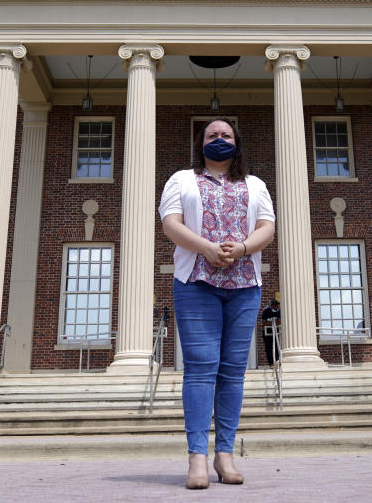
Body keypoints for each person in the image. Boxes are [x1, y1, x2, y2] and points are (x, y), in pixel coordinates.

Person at [159, 118, 275, 489]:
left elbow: (267, 227)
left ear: (236, 142)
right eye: (212, 135)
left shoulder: (255, 184)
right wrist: (207, 248)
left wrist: (241, 248)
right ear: (202, 143)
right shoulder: (181, 179)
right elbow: (170, 223)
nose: (220, 139)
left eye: (226, 135)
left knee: (232, 372)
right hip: (196, 282)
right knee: (200, 369)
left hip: (244, 286)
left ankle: (224, 455)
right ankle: (197, 457)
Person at [261, 299, 281, 365]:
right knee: (268, 348)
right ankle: (271, 363)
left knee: (277, 347)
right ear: (271, 306)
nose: (276, 307)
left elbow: (279, 322)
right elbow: (263, 322)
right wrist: (273, 323)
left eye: (277, 306)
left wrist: (270, 323)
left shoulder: (279, 311)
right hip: (267, 333)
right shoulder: (266, 311)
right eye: (275, 306)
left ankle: (277, 361)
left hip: (276, 332)